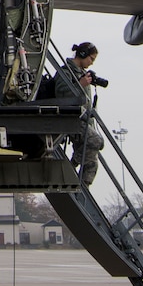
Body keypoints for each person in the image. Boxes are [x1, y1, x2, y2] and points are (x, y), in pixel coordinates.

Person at [55, 39, 107, 185]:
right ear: (83, 54)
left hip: (83, 120)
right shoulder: (65, 72)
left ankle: (83, 190)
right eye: (91, 58)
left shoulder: (81, 74)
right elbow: (61, 94)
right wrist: (81, 85)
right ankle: (71, 164)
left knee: (91, 162)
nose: (92, 62)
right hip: (70, 120)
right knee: (96, 140)